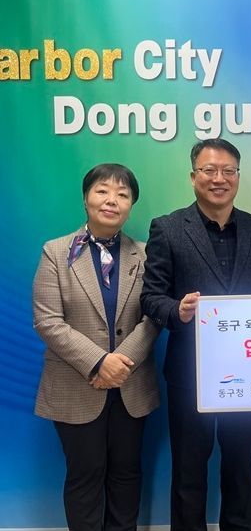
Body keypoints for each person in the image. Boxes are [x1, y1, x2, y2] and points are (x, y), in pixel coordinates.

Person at [140, 137, 251, 531]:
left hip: (248, 373)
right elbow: (151, 297)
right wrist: (177, 310)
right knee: (189, 469)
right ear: (193, 176)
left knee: (241, 465)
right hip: (190, 372)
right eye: (209, 170)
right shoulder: (168, 228)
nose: (219, 179)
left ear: (238, 176)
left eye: (228, 171)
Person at [33, 163, 160, 531]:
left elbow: (153, 316)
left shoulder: (145, 255)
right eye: (103, 191)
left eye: (122, 194)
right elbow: (47, 320)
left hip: (130, 384)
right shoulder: (56, 252)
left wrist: (122, 362)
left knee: (127, 473)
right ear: (86, 197)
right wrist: (99, 362)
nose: (111, 200)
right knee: (85, 475)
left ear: (131, 204)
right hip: (77, 384)